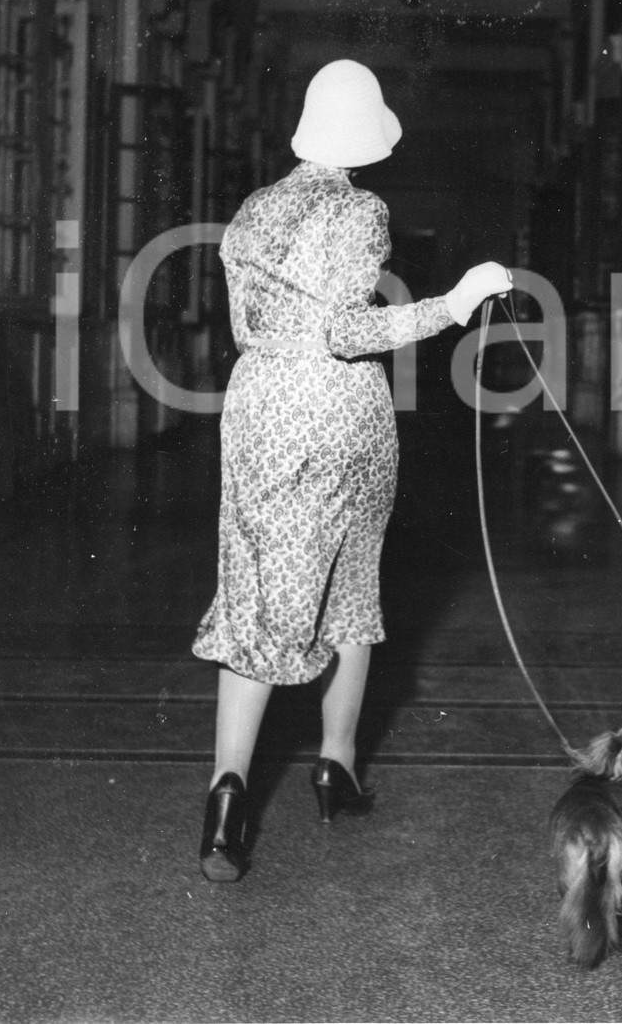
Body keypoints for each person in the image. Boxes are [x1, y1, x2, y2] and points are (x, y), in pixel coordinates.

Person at [193, 58, 512, 882]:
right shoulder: (361, 208)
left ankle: (227, 787)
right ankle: (335, 763)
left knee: (257, 590)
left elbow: (250, 322)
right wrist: (456, 302)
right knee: (350, 590)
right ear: (367, 138)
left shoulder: (252, 210)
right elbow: (345, 331)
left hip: (256, 405)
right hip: (336, 414)